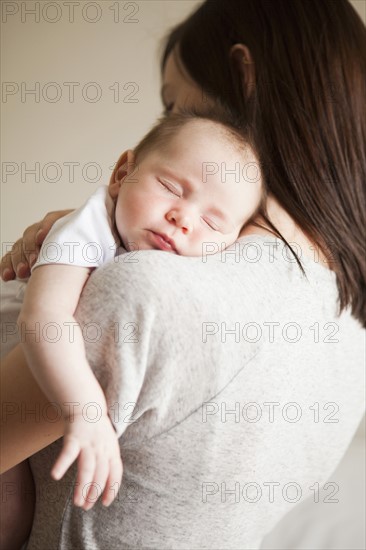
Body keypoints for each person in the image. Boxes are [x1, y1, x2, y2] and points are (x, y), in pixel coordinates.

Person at [1, 0, 365, 548]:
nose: (169, 122)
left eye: (175, 103)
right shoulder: (349, 327)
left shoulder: (149, 291)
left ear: (244, 78)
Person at [16, 110, 263, 510]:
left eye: (213, 223)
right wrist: (89, 413)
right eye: (170, 187)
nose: (182, 219)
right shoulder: (86, 227)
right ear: (121, 173)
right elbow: (44, 319)